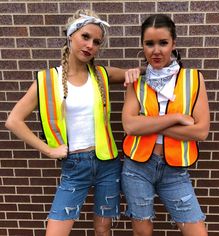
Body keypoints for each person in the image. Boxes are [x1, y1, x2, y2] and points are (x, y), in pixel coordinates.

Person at [5, 9, 139, 236]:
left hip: (107, 162)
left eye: (96, 42)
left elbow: (134, 73)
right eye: (85, 37)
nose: (90, 45)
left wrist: (138, 72)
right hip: (74, 165)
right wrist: (48, 150)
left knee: (103, 228)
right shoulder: (48, 80)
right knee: (56, 231)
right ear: (70, 36)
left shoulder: (102, 74)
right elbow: (14, 121)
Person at [121, 14, 210, 236]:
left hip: (175, 170)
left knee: (196, 231)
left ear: (174, 44)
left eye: (163, 43)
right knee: (143, 231)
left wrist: (149, 125)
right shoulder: (136, 81)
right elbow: (130, 126)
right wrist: (175, 118)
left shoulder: (193, 79)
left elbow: (200, 131)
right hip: (137, 168)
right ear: (142, 46)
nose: (156, 50)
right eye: (149, 44)